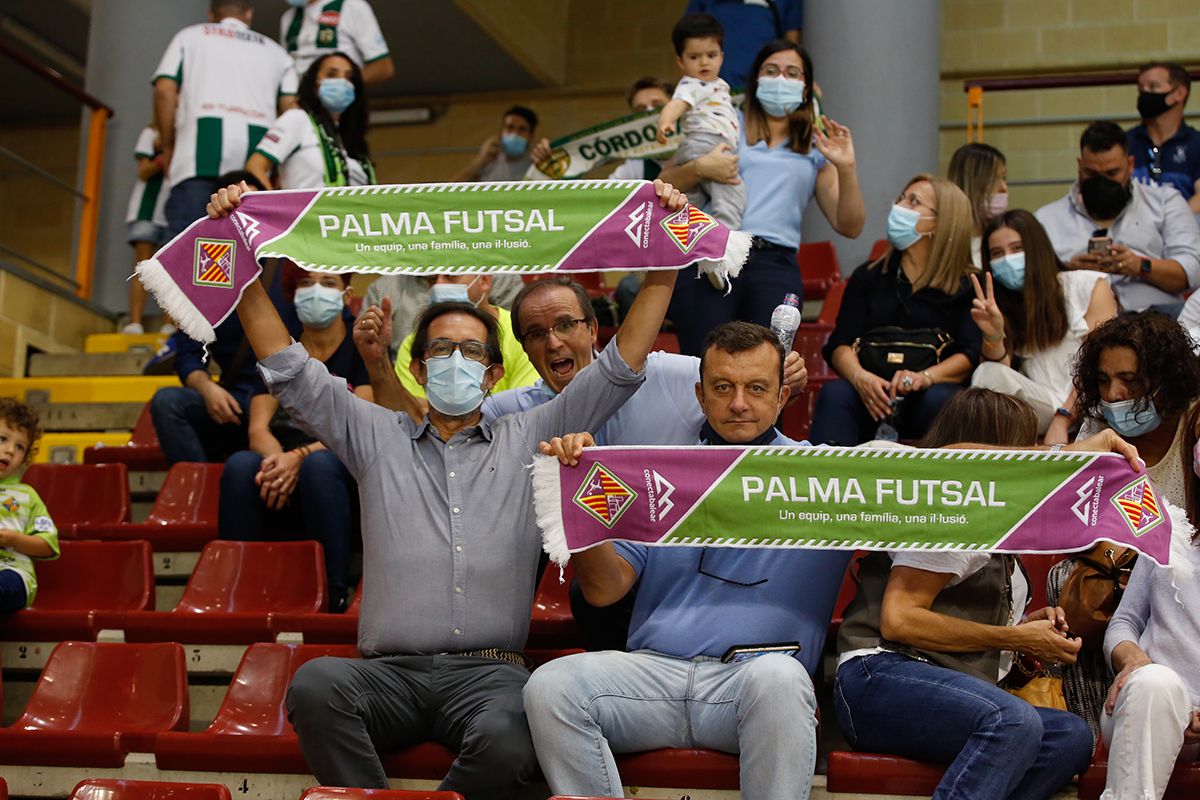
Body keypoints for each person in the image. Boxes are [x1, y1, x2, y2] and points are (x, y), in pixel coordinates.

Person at [207, 178, 687, 793]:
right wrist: (244, 260)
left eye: (469, 352)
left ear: (491, 375)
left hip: (490, 677)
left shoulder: (534, 432)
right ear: (417, 366)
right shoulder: (372, 434)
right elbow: (288, 368)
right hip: (387, 674)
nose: (454, 362)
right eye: (440, 350)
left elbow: (621, 365)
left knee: (521, 725)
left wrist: (666, 259)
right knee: (316, 685)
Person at [358, 276, 808, 651]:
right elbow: (423, 428)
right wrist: (378, 367)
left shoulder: (671, 374)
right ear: (525, 350)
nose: (552, 340)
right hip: (577, 558)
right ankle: (478, 650)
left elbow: (737, 377)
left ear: (593, 330)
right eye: (535, 333)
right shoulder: (511, 411)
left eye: (565, 324)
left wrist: (782, 374)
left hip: (667, 549)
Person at [524, 321, 847, 800]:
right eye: (723, 387)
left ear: (782, 396)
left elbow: (917, 482)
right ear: (700, 395)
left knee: (781, 678)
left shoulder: (829, 480)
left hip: (750, 685)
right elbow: (604, 590)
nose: (739, 402)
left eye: (756, 388)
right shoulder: (659, 471)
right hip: (652, 676)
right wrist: (581, 499)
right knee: (549, 686)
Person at [834, 388, 1100, 800]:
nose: (1029, 460)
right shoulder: (946, 511)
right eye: (1020, 448)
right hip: (880, 675)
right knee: (1015, 721)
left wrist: (1028, 631)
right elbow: (899, 619)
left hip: (954, 687)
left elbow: (974, 626)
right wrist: (1014, 638)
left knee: (1072, 736)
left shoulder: (994, 522)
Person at [1046, 311, 1200, 741]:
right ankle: (1090, 732)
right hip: (1113, 574)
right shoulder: (1099, 427)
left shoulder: (1195, 424)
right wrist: (1066, 425)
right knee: (1067, 582)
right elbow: (1055, 506)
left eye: (1130, 380)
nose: (1114, 394)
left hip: (1182, 580)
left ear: (1165, 378)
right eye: (1102, 380)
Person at [665, 39, 865, 356]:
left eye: (792, 73)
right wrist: (701, 167)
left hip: (776, 263)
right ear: (756, 80)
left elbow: (850, 225)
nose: (780, 79)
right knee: (702, 364)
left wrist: (847, 167)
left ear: (806, 87)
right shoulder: (726, 120)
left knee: (769, 369)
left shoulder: (815, 145)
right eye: (771, 71)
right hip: (713, 253)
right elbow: (664, 183)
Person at [218, 265, 369, 612]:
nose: (316, 290)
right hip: (287, 460)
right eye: (306, 283)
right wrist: (279, 462)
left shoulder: (359, 346)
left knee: (319, 465)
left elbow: (362, 424)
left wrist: (298, 457)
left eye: (328, 283)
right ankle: (238, 588)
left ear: (346, 295)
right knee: (242, 465)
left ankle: (334, 592)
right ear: (292, 294)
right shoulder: (279, 347)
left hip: (339, 460)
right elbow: (258, 428)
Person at [810, 174, 980, 446]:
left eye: (914, 202)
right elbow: (839, 344)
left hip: (930, 394)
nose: (899, 207)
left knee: (944, 399)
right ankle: (824, 483)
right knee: (835, 394)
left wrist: (924, 379)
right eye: (901, 198)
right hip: (872, 395)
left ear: (940, 222)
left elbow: (970, 354)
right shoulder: (868, 276)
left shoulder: (968, 285)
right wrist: (861, 378)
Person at [150, 171, 302, 466]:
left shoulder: (291, 265)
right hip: (233, 400)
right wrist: (208, 389)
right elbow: (187, 355)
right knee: (167, 403)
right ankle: (198, 492)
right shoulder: (208, 273)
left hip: (285, 400)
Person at [154, 1, 297, 239]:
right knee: (245, 257)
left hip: (196, 161)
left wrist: (169, 145)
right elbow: (290, 109)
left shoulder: (189, 37)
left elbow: (164, 89)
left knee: (186, 254)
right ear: (249, 14)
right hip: (253, 170)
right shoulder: (278, 53)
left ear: (211, 14)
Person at [969, 209, 1117, 436]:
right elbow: (1000, 375)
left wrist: (1064, 418)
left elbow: (1098, 364)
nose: (1007, 259)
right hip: (1042, 404)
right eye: (997, 253)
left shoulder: (1087, 285)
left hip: (1089, 403)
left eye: (1017, 248)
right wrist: (994, 334)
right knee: (986, 372)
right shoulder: (1000, 304)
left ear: (1037, 247)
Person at [1035, 121, 1200, 316]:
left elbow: (1192, 271)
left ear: (1130, 165)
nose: (1101, 182)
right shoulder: (1046, 218)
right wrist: (1068, 272)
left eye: (1112, 173)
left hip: (1157, 319)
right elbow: (1031, 284)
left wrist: (1141, 266)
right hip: (1079, 322)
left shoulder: (1165, 202)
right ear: (1080, 165)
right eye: (1091, 173)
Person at [1099, 485, 1200, 798]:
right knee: (1154, 683)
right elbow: (1124, 622)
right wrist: (1134, 661)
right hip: (1148, 702)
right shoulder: (1167, 529)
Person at [392, 275, 539, 407]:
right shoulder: (412, 342)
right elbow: (411, 410)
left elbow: (524, 405)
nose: (439, 285)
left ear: (484, 281)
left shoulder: (520, 334)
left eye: (451, 276)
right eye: (432, 279)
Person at [656, 14, 745, 230]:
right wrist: (666, 121)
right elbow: (677, 103)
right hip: (706, 143)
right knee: (732, 193)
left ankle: (680, 232)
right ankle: (725, 237)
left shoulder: (716, 85)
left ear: (721, 57)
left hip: (701, 146)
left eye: (711, 55)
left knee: (690, 200)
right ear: (681, 62)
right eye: (694, 57)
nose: (704, 62)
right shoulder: (693, 84)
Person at [247, 52, 374, 190]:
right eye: (331, 75)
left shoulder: (352, 138)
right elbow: (255, 166)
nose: (342, 82)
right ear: (314, 83)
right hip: (303, 211)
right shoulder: (298, 119)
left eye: (349, 78)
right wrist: (275, 208)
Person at [0, 399, 59, 613]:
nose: (9, 451)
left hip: (13, 573)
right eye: (2, 439)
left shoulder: (27, 496)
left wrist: (13, 539)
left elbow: (47, 545)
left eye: (19, 447)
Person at [1127, 61, 1200, 215]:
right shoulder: (1125, 143)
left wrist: (1172, 223)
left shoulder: (1196, 144)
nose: (1144, 93)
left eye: (1153, 87)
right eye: (1141, 89)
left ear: (1179, 93)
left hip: (1184, 230)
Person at [123, 123, 174, 335]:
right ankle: (135, 323)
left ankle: (169, 324)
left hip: (173, 211)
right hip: (147, 209)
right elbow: (143, 171)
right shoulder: (151, 133)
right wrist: (166, 154)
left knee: (171, 269)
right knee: (142, 267)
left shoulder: (188, 133)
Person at [684, 0, 804, 89]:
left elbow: (792, 50)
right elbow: (687, 44)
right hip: (710, 89)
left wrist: (801, 81)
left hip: (765, 90)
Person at [279, 0, 394, 86]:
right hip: (302, 108)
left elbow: (383, 67)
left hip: (344, 108)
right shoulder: (288, 18)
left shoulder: (352, 6)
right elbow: (286, 69)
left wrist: (343, 87)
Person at [947, 142, 1009, 268]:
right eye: (995, 179)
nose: (1004, 188)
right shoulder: (945, 244)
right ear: (973, 183)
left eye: (1004, 178)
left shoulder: (1004, 238)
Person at [452, 106, 549, 183]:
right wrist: (479, 161)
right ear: (501, 131)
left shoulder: (535, 166)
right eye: (510, 127)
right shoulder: (487, 163)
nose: (514, 133)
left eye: (522, 129)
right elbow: (449, 192)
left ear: (531, 136)